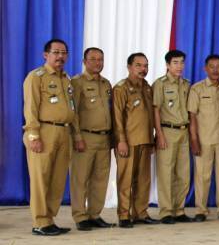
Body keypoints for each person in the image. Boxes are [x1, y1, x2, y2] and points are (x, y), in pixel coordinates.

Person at [23, 39, 78, 236]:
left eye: (64, 53)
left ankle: (50, 219)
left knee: (57, 179)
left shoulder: (67, 79)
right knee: (41, 178)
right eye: (56, 52)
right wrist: (33, 135)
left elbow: (72, 109)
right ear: (46, 55)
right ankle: (40, 222)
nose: (60, 56)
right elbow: (30, 108)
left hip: (64, 132)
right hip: (44, 131)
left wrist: (76, 134)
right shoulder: (36, 77)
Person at [69, 47, 113, 231]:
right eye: (93, 59)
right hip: (85, 136)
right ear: (84, 61)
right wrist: (77, 136)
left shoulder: (106, 84)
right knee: (81, 178)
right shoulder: (76, 83)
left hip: (104, 137)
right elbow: (73, 112)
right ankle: (80, 216)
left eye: (100, 59)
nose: (97, 63)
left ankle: (95, 214)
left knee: (100, 178)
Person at [113, 52, 158, 228]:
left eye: (146, 66)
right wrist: (121, 141)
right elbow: (117, 117)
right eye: (139, 65)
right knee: (125, 180)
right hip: (128, 142)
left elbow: (150, 116)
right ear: (129, 67)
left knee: (144, 180)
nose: (143, 69)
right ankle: (124, 215)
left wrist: (153, 138)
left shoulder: (147, 87)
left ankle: (140, 213)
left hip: (145, 140)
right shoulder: (121, 88)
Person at [188, 54, 219, 222]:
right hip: (204, 140)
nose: (215, 70)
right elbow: (192, 117)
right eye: (211, 66)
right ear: (205, 69)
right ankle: (201, 210)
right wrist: (194, 140)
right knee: (202, 177)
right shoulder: (197, 89)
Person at [153, 50, 192, 224]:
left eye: (182, 62)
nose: (179, 66)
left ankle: (179, 209)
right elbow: (155, 110)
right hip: (167, 131)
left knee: (183, 173)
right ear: (167, 65)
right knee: (166, 172)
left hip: (184, 131)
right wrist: (159, 135)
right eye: (175, 62)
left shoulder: (186, 84)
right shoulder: (160, 84)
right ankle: (166, 211)